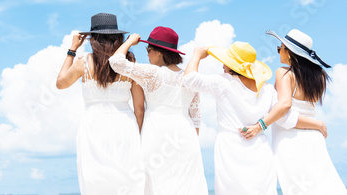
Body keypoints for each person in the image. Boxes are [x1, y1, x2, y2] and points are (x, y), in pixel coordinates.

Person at [109, 27, 208, 195]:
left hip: (157, 132)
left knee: (157, 183)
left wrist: (130, 41)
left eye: (148, 50)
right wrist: (192, 142)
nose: (147, 54)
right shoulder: (189, 77)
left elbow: (116, 62)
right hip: (186, 135)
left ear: (159, 53)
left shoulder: (154, 73)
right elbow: (196, 117)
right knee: (186, 186)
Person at [183, 42, 290, 195]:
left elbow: (189, 80)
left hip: (230, 150)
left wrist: (197, 55)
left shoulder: (224, 82)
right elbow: (283, 114)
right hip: (260, 150)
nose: (222, 66)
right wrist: (261, 126)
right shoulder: (267, 89)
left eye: (225, 62)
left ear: (232, 65)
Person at [56, 13, 145, 195]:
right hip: (125, 126)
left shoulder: (83, 62)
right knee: (128, 181)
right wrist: (140, 135)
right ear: (119, 38)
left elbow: (60, 83)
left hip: (93, 127)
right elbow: (139, 108)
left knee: (95, 183)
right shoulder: (129, 63)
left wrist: (72, 49)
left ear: (93, 39)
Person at [250, 29, 346, 195]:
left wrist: (260, 126)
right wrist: (318, 124)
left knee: (296, 188)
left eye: (280, 48)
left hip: (290, 138)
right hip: (314, 138)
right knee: (323, 184)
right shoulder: (320, 77)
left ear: (290, 52)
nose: (278, 51)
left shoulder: (284, 73)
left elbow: (285, 107)